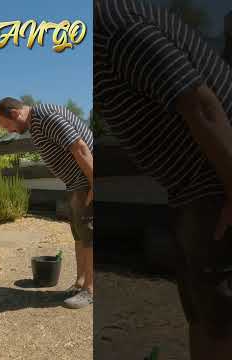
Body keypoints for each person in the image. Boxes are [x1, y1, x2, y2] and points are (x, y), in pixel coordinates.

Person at [94, 0, 232, 359]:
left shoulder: (113, 25)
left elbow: (201, 105)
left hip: (216, 184)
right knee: (204, 314)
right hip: (193, 190)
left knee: (222, 322)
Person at [0, 98, 94, 309]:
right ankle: (80, 283)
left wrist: (95, 183)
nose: (9, 131)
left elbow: (80, 147)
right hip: (75, 183)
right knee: (79, 234)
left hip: (85, 181)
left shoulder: (44, 117)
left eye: (6, 125)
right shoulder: (36, 122)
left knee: (89, 235)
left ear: (15, 114)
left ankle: (90, 291)